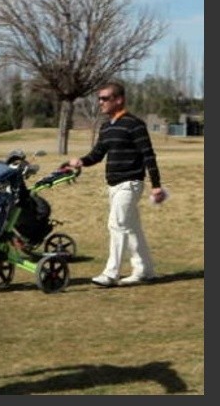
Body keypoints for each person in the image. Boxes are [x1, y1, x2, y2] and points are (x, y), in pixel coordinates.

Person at [68, 81, 166, 287]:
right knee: (131, 228)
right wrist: (81, 161)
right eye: (99, 99)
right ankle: (145, 271)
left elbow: (148, 155)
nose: (100, 102)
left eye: (105, 98)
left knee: (116, 224)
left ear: (119, 99)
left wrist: (156, 185)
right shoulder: (106, 127)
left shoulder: (135, 124)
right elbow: (97, 154)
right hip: (113, 185)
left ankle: (111, 274)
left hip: (130, 183)